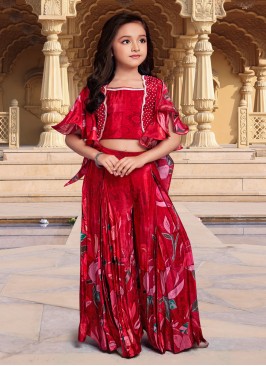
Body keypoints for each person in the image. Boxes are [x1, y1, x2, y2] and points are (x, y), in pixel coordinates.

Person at [52, 12, 209, 358]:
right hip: (105, 180)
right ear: (110, 46)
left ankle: (160, 325)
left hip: (141, 175)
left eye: (141, 40)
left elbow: (173, 139)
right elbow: (72, 138)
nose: (135, 47)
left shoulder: (154, 88)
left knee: (167, 247)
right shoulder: (96, 91)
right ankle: (119, 328)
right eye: (126, 40)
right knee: (115, 253)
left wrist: (140, 160)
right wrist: (97, 157)